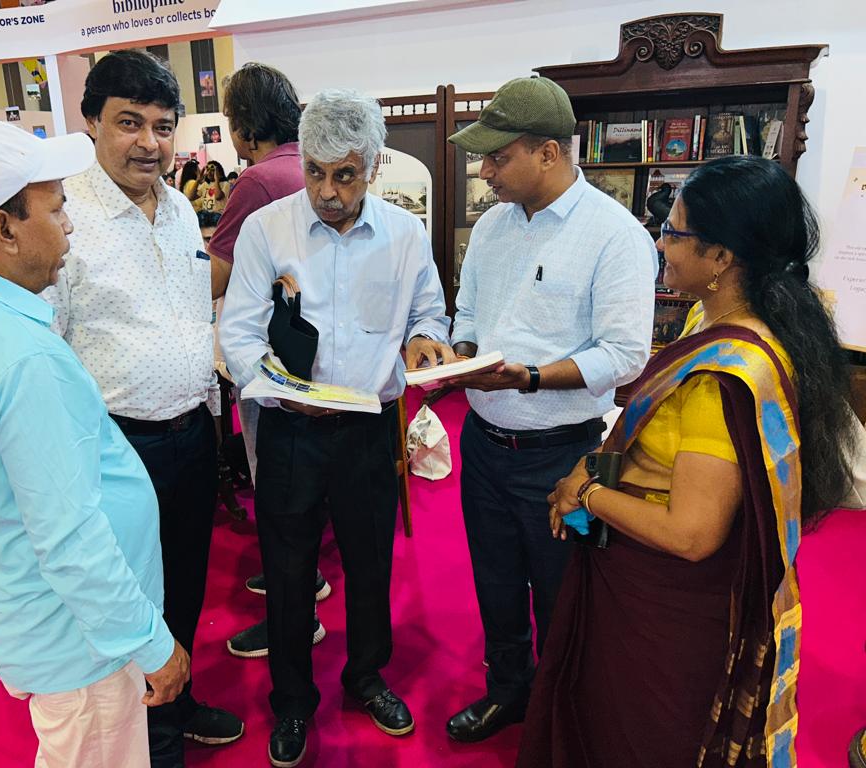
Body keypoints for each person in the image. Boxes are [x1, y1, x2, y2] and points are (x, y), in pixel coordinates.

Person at [520, 155, 857, 768]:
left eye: (675, 232)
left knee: (644, 731)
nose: (661, 243)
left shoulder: (722, 377)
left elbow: (694, 533)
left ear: (722, 258)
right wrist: (595, 467)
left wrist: (587, 494)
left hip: (670, 599)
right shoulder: (726, 320)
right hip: (654, 578)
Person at [0, 118, 189, 768]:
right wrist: (151, 644)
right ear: (4, 226)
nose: (69, 225)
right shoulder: (22, 357)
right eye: (56, 207)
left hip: (27, 610)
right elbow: (70, 537)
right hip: (84, 642)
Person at [220, 88, 454, 768]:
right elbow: (236, 335)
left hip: (368, 427)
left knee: (370, 560)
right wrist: (278, 391)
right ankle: (292, 701)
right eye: (317, 172)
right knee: (289, 572)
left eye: (344, 175)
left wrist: (422, 343)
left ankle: (366, 675)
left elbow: (428, 315)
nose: (326, 190)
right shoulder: (269, 230)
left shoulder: (405, 235)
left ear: (373, 166)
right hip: (291, 427)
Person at [43, 49, 243, 764]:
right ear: (91, 122)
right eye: (130, 123)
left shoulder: (183, 206)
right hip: (116, 445)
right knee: (126, 599)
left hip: (193, 433)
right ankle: (142, 737)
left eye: (163, 127)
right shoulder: (62, 215)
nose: (150, 144)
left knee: (184, 583)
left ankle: (176, 706)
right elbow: (49, 349)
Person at [443, 76, 657, 743]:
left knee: (566, 595)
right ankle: (508, 691)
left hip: (564, 455)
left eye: (496, 156)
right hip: (483, 445)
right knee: (496, 584)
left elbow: (624, 357)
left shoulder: (615, 237)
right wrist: (457, 354)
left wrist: (529, 377)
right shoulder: (492, 228)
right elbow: (470, 312)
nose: (484, 171)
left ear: (547, 153)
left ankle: (568, 716)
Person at [203, 61, 330, 660]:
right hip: (321, 353)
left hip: (273, 355)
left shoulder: (256, 181)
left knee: (273, 478)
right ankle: (310, 581)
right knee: (302, 478)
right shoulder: (315, 167)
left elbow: (216, 278)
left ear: (242, 123)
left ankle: (296, 610)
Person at [195, 160, 228, 226]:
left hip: (218, 215)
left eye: (212, 170)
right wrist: (197, 181)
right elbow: (191, 196)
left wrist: (216, 179)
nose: (209, 172)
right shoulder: (205, 185)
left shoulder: (225, 184)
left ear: (219, 172)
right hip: (205, 216)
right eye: (207, 170)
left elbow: (218, 196)